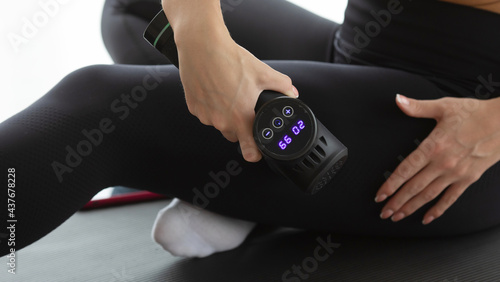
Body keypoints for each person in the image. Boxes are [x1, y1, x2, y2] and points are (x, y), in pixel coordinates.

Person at [1, 0, 500, 258]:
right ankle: (248, 186)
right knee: (138, 9)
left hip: (456, 112)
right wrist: (203, 40)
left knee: (99, 108)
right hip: (362, 45)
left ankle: (245, 188)